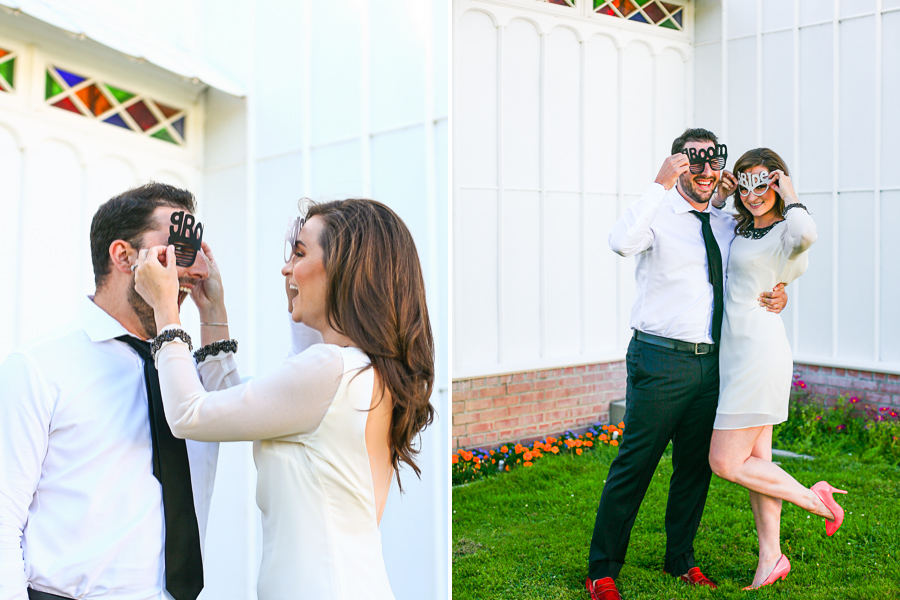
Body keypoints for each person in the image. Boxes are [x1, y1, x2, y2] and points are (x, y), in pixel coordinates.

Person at [132, 198, 435, 600]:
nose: (286, 268)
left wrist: (165, 310)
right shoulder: (358, 370)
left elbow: (189, 414)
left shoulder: (332, 370)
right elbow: (236, 404)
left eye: (299, 252)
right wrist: (212, 310)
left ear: (347, 269)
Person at [585, 129, 788, 600]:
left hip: (711, 364)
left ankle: (680, 558)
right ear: (678, 164)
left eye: (711, 162)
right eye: (692, 162)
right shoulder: (660, 215)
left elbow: (753, 264)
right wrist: (658, 184)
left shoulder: (721, 221)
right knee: (635, 464)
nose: (703, 172)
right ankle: (602, 569)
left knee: (694, 468)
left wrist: (780, 291)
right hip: (660, 359)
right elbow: (619, 242)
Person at [0, 183, 225, 600]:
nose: (196, 271)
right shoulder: (39, 367)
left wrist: (213, 313)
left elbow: (235, 411)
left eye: (196, 255)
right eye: (176, 251)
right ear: (123, 256)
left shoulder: (189, 381)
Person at [708, 148, 844, 590]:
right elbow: (714, 231)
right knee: (758, 460)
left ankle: (817, 501)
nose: (753, 193)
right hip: (735, 353)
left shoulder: (788, 229)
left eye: (763, 182)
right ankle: (771, 558)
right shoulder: (740, 227)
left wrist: (790, 191)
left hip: (759, 355)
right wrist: (722, 196)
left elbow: (807, 235)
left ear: (777, 182)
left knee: (725, 461)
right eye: (745, 183)